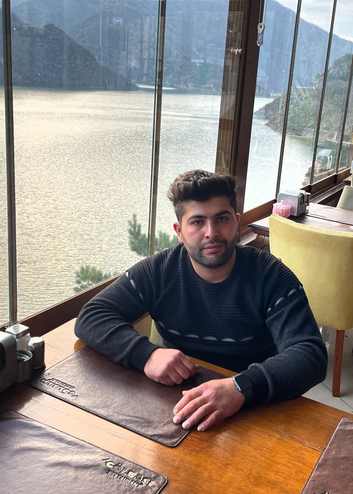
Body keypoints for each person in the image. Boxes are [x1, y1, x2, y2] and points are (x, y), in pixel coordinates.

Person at [75, 169, 327, 432]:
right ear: (179, 231)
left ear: (236, 222)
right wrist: (146, 355)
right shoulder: (158, 271)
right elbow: (93, 315)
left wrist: (241, 386)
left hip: (253, 405)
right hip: (172, 401)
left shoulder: (271, 276)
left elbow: (310, 355)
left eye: (221, 219)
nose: (211, 232)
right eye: (197, 222)